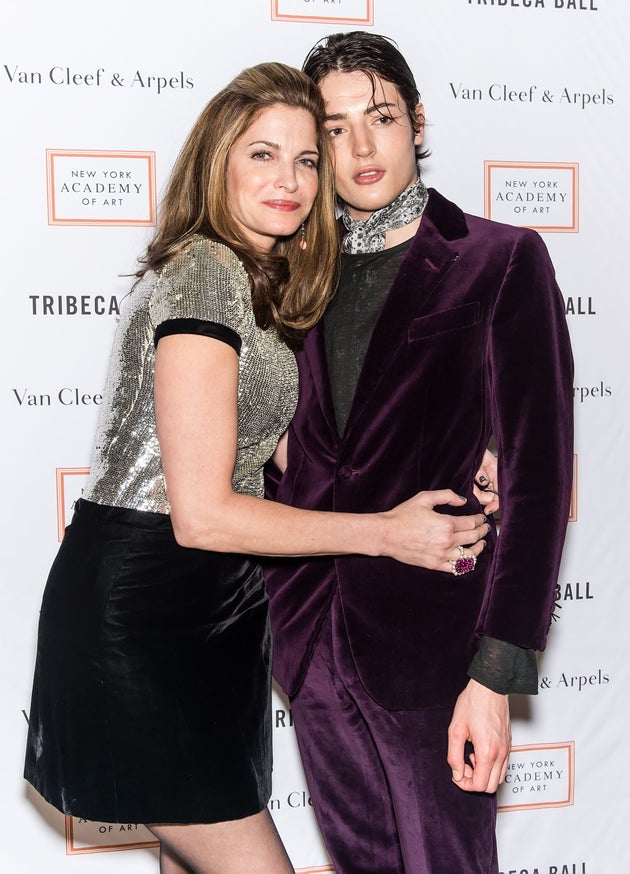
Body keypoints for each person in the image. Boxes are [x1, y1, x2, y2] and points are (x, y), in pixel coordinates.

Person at [23, 62, 492, 874]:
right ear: (217, 163)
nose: (291, 180)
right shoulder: (205, 272)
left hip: (221, 611)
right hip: (146, 607)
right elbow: (202, 511)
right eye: (262, 155)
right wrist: (385, 533)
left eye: (308, 159)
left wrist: (470, 448)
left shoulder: (259, 280)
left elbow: (304, 455)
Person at [264, 32, 574, 874]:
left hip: (437, 649)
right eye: (334, 128)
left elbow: (539, 478)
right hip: (312, 642)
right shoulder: (292, 275)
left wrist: (495, 676)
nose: (361, 147)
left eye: (381, 117)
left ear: (417, 120)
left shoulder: (500, 260)